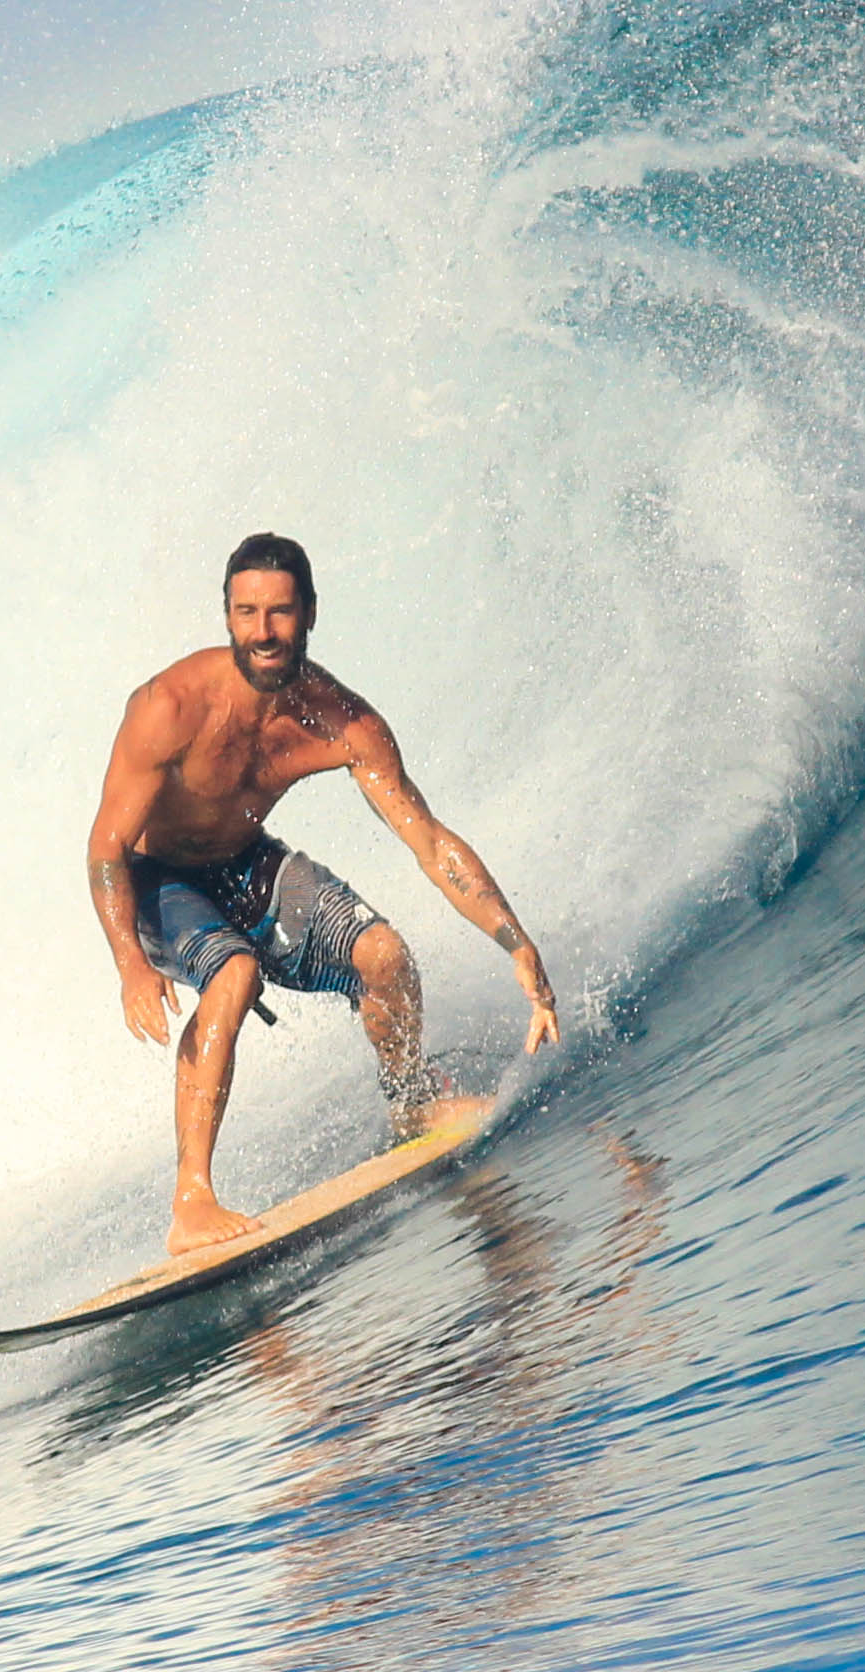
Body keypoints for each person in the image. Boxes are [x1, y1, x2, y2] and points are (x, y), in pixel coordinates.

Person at [87, 530, 561, 1256]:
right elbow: (107, 851)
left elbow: (430, 842)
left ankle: (410, 1102)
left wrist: (516, 943)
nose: (263, 632)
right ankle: (192, 1203)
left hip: (245, 863)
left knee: (384, 956)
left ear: (310, 612)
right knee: (234, 972)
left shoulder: (339, 719)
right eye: (246, 613)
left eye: (279, 612)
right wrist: (130, 964)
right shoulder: (171, 706)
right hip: (157, 881)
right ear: (226, 616)